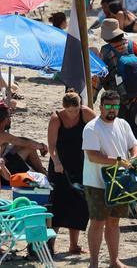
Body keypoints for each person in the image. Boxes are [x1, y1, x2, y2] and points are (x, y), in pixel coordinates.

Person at [83, 90, 137, 268]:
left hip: (120, 181)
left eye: (115, 106)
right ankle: (93, 263)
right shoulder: (92, 127)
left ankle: (114, 260)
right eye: (108, 106)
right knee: (98, 222)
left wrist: (135, 157)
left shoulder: (123, 124)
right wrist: (119, 162)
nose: (112, 110)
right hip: (96, 182)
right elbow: (93, 155)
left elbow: (134, 145)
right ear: (100, 107)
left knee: (114, 222)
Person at [48, 91, 95, 254]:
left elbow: (99, 129)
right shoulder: (56, 118)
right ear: (64, 108)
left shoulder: (86, 112)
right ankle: (50, 243)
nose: (73, 114)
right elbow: (51, 147)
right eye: (70, 111)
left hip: (81, 163)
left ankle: (73, 245)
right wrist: (57, 162)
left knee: (79, 203)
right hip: (60, 164)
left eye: (75, 110)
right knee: (57, 205)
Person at [0, 105, 48, 175]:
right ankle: (42, 172)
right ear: (5, 119)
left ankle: (40, 170)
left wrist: (40, 146)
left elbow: (22, 141)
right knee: (29, 148)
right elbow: (27, 143)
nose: (10, 120)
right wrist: (42, 147)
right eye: (9, 117)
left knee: (20, 145)